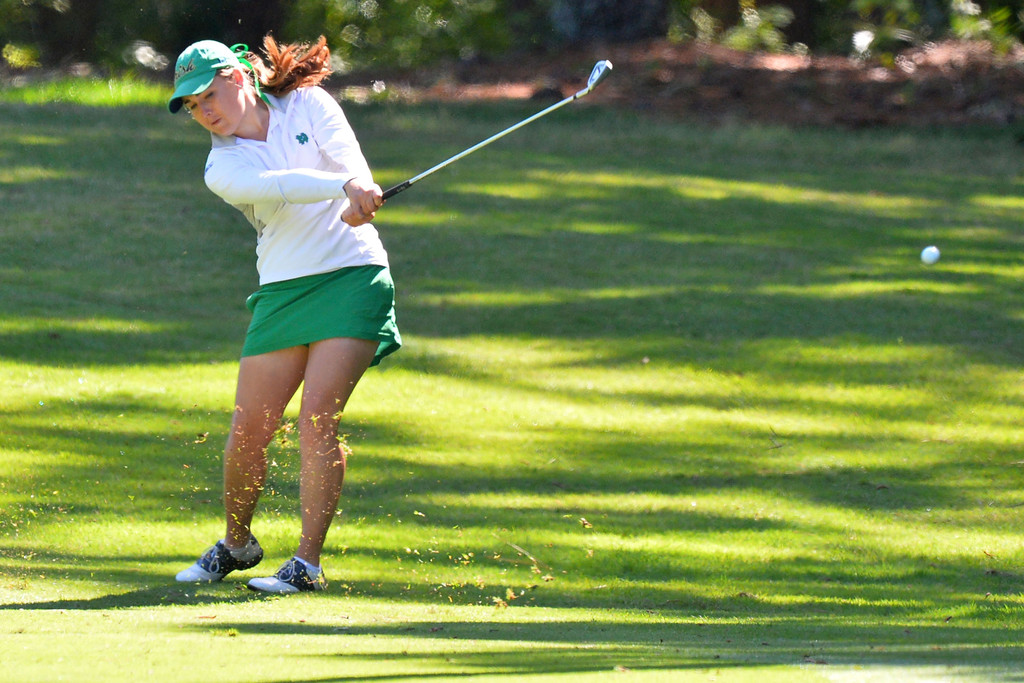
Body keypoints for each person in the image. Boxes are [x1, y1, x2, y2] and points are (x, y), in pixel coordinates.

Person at [168, 35, 400, 593]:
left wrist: (358, 186)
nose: (205, 112)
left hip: (352, 275)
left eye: (209, 95)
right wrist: (344, 187)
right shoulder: (221, 165)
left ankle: (306, 564)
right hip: (283, 289)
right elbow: (283, 186)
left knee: (317, 419)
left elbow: (346, 155)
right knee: (249, 430)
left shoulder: (308, 103)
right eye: (193, 106)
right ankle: (237, 544)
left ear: (238, 77)